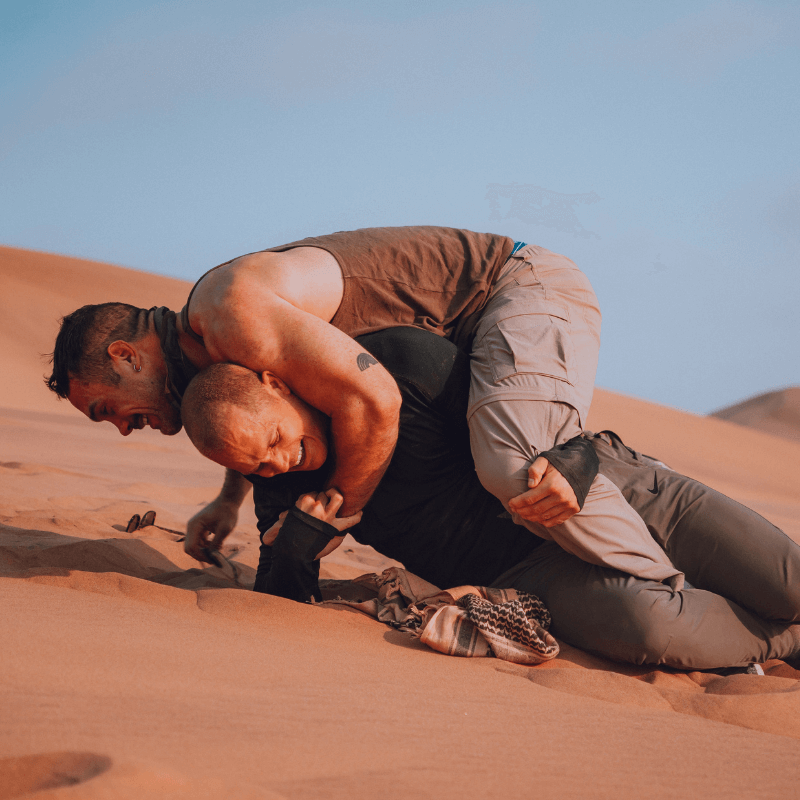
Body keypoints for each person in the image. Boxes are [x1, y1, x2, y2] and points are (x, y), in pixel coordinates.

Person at [48, 227, 676, 585]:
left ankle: (667, 591)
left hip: (513, 289)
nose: (125, 431)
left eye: (107, 410)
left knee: (512, 468)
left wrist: (333, 518)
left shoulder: (229, 314)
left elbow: (375, 398)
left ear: (128, 357)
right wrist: (229, 499)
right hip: (461, 346)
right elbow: (254, 416)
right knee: (514, 475)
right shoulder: (209, 346)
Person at [180, 327, 800, 671]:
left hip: (605, 484)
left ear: (276, 383)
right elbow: (279, 599)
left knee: (789, 582)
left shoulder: (394, 362)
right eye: (256, 466)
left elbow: (529, 398)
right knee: (648, 626)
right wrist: (301, 545)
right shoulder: (281, 482)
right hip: (527, 571)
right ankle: (788, 642)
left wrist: (575, 458)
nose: (280, 463)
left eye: (275, 440)